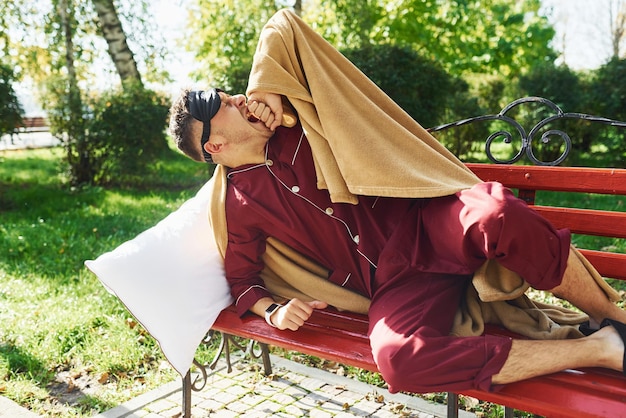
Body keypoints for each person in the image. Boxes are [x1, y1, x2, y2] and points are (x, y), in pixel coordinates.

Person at [168, 9, 626, 395]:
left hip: (428, 220)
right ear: (214, 147)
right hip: (391, 280)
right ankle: (603, 350)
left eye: (227, 92)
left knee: (496, 213)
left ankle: (614, 317)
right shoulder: (238, 201)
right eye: (219, 105)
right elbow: (242, 276)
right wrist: (273, 310)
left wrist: (267, 88)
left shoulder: (298, 119)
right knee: (399, 361)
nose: (232, 97)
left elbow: (283, 25)